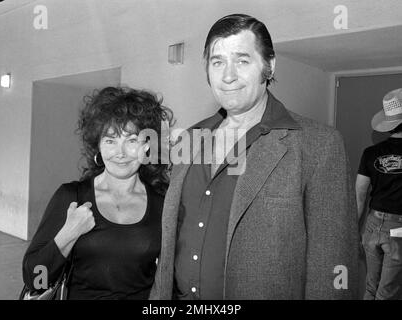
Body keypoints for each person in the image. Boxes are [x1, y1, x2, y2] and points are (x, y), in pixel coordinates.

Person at [150, 13, 359, 300]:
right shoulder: (189, 139)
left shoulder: (318, 144)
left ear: (269, 66)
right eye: (217, 61)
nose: (227, 75)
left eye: (242, 60)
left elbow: (333, 261)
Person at [22, 86, 173, 299]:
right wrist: (69, 234)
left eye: (131, 141)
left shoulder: (163, 203)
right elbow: (35, 277)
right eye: (110, 140)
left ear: (147, 146)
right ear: (99, 147)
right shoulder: (71, 197)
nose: (120, 153)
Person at [356, 88, 402, 300]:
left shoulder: (370, 153)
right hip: (398, 228)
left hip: (373, 224)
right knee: (387, 292)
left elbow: (359, 195)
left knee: (371, 287)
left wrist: (354, 230)